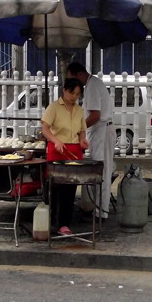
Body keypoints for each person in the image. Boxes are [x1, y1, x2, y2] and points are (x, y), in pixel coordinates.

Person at [66, 62, 115, 220]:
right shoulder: (92, 85)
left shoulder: (93, 86)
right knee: (99, 170)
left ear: (80, 74)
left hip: (102, 131)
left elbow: (95, 115)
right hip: (99, 131)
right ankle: (99, 209)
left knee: (100, 171)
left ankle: (102, 212)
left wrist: (79, 129)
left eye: (73, 78)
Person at [41, 78, 89, 235]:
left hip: (74, 151)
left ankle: (64, 223)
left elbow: (82, 130)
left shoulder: (79, 110)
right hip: (57, 150)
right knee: (55, 187)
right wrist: (55, 140)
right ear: (64, 91)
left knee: (70, 187)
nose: (74, 97)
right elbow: (45, 129)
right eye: (71, 92)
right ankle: (51, 220)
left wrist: (82, 140)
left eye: (77, 94)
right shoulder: (54, 107)